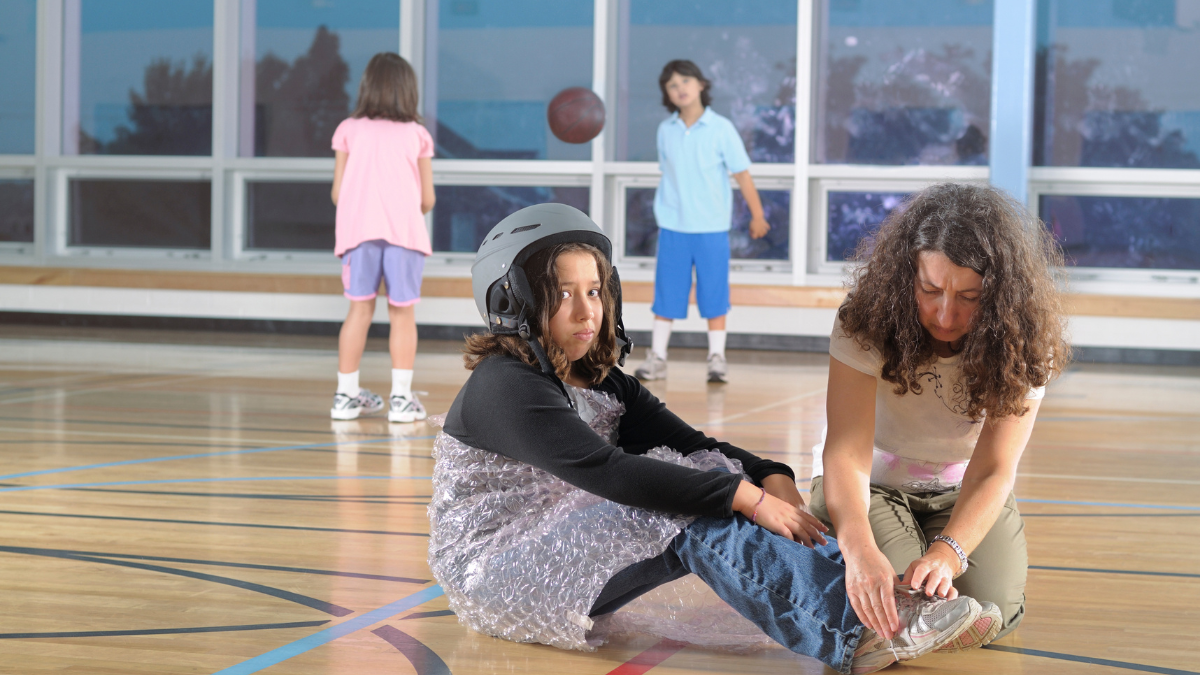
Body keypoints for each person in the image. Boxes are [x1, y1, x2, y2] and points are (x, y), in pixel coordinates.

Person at [428, 203, 992, 675]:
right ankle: (855, 628)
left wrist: (769, 474)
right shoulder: (504, 384)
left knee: (708, 476)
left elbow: (698, 445)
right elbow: (609, 472)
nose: (588, 312)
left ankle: (881, 602)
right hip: (496, 571)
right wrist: (748, 498)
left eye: (596, 291)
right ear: (512, 303)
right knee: (689, 501)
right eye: (563, 294)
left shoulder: (604, 380)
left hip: (557, 545)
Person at [809, 183, 1070, 651]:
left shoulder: (1030, 343)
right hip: (870, 485)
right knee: (896, 598)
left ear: (999, 293)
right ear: (905, 276)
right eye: (930, 289)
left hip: (961, 488)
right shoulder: (863, 320)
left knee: (995, 608)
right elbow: (845, 453)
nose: (946, 315)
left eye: (969, 297)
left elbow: (993, 469)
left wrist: (949, 553)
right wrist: (859, 545)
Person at [633, 59, 770, 384]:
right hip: (674, 228)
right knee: (667, 294)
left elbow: (742, 175)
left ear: (701, 85)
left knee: (714, 294)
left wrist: (758, 214)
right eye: (672, 85)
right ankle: (658, 357)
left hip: (711, 228)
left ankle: (717, 358)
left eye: (685, 81)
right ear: (667, 93)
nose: (680, 88)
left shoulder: (721, 128)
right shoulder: (665, 130)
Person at [329, 53, 434, 423]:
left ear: (367, 86)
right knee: (402, 314)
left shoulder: (348, 129)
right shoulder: (417, 135)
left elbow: (338, 194)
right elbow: (427, 199)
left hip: (359, 236)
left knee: (358, 311)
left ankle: (345, 396)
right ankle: (402, 401)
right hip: (404, 236)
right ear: (409, 91)